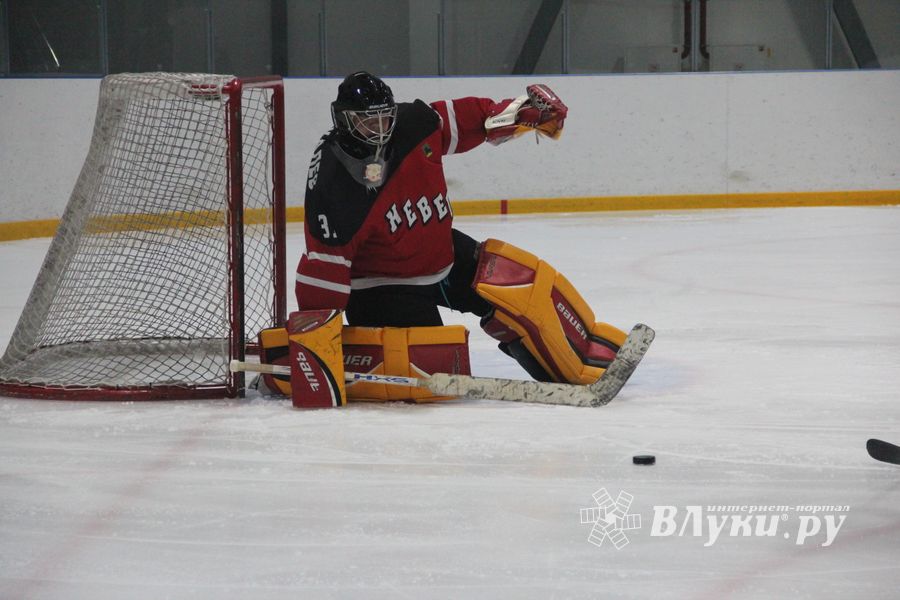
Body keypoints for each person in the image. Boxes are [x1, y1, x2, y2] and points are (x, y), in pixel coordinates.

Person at [264, 72, 629, 407]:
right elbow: (321, 273)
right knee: (433, 368)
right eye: (367, 122)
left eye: (384, 118)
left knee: (522, 283)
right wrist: (314, 355)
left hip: (438, 252)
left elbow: (470, 119)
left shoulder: (414, 124)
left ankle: (586, 359)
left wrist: (518, 113)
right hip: (381, 285)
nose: (379, 130)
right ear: (343, 120)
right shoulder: (335, 182)